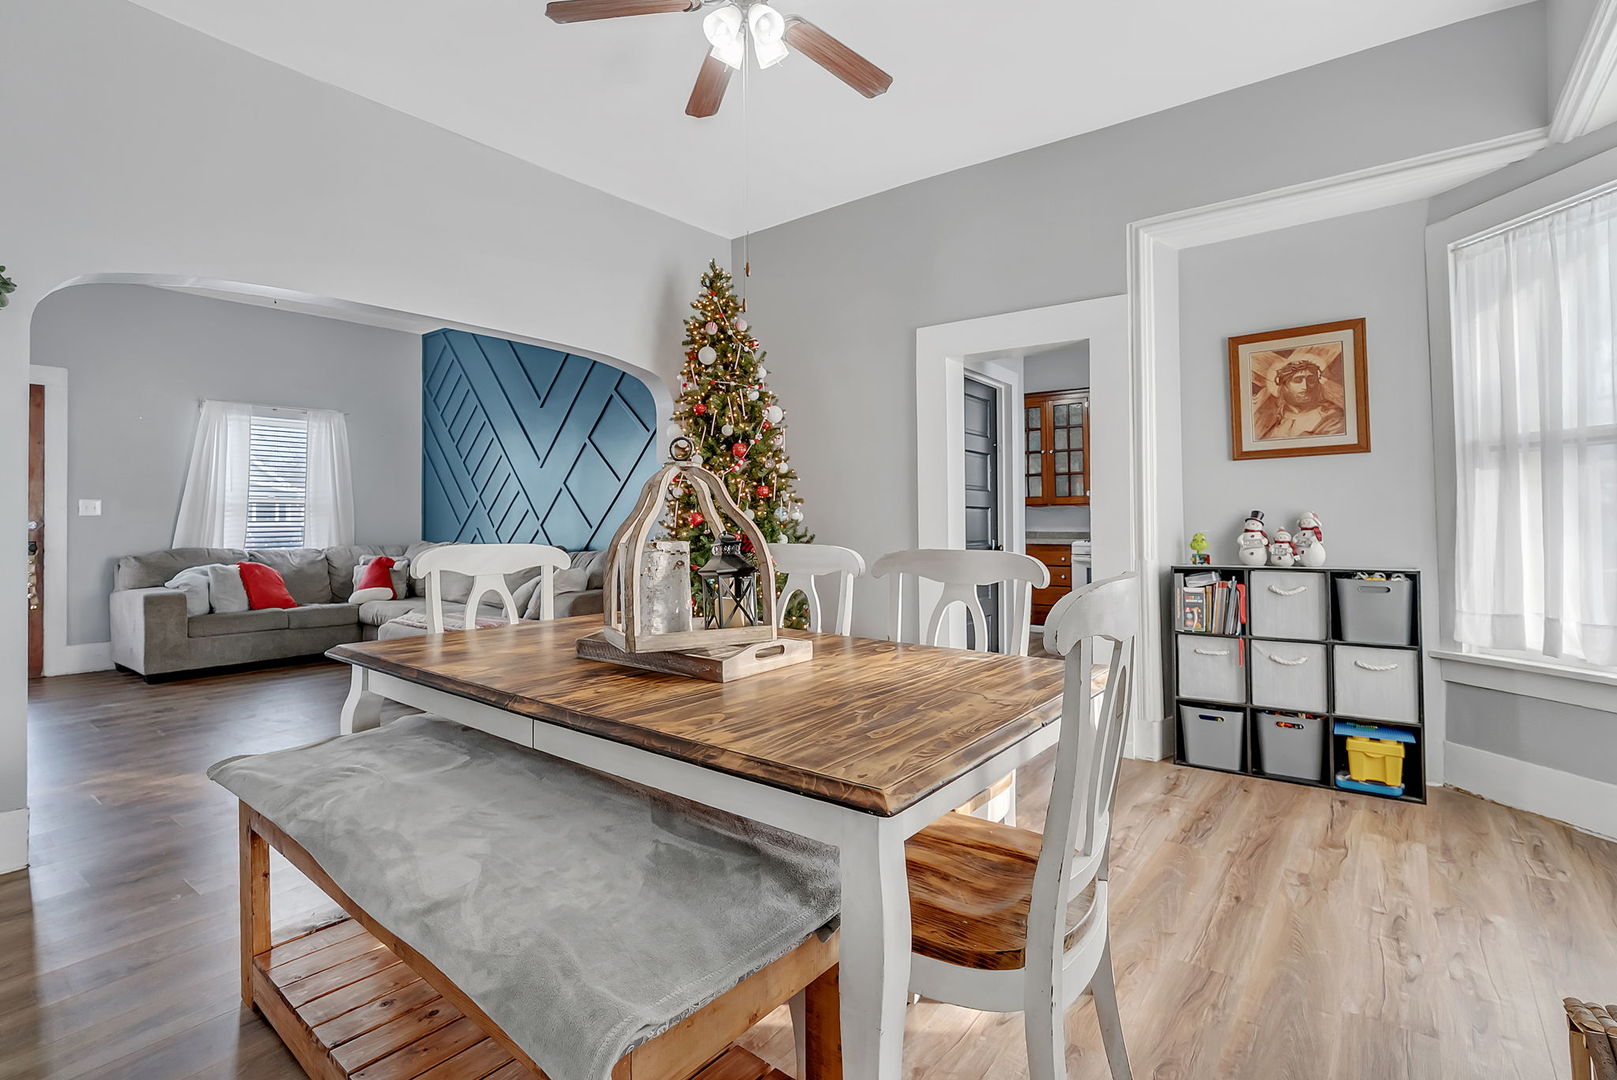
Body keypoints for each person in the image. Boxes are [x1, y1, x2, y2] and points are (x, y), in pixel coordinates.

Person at [1253, 355, 1346, 441]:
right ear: (1285, 386)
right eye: (1297, 380)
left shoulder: (1331, 415)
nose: (1305, 386)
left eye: (1311, 380)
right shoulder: (1271, 417)